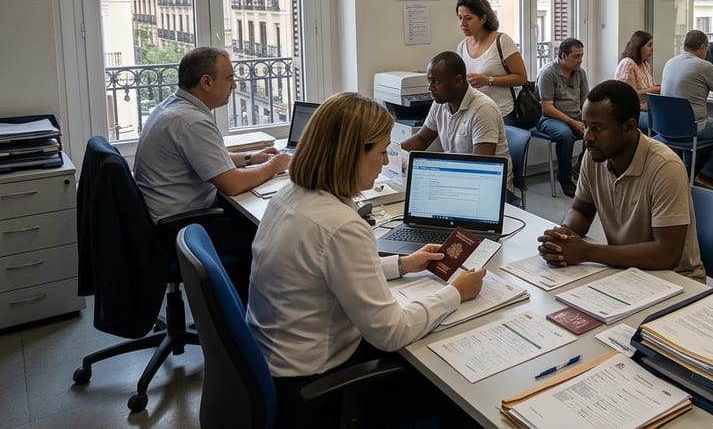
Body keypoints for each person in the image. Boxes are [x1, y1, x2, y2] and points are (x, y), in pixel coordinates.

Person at [246, 92, 485, 428]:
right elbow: (392, 332)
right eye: (382, 151)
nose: (387, 162)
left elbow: (326, 272)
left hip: (276, 369)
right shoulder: (340, 224)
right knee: (454, 396)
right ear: (350, 154)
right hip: (318, 391)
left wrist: (402, 264)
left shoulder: (291, 195)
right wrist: (456, 292)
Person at [134, 47, 290, 297]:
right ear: (206, 82)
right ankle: (245, 318)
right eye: (229, 78)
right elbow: (231, 185)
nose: (235, 85)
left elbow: (205, 158)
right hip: (181, 227)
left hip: (166, 220)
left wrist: (251, 158)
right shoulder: (192, 121)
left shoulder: (174, 107)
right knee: (270, 236)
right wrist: (274, 166)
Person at [536, 80, 704, 281]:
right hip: (625, 271)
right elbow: (581, 209)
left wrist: (587, 252)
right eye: (586, 126)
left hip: (675, 279)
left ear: (629, 127)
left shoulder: (665, 167)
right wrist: (564, 237)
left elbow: (667, 254)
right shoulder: (593, 156)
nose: (587, 137)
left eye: (597, 128)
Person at [400, 51, 512, 193]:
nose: (430, 88)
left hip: (489, 187)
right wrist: (392, 154)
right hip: (458, 179)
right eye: (429, 81)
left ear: (458, 81)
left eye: (436, 82)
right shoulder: (440, 104)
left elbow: (482, 167)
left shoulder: (483, 109)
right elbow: (422, 139)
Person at [660, 30, 713, 191]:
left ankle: (689, 172)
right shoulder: (705, 66)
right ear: (703, 47)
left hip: (665, 127)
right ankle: (705, 174)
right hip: (691, 129)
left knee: (712, 125)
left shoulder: (671, 62)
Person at [455, 0, 528, 125]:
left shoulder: (502, 41)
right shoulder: (461, 47)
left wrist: (488, 80)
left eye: (468, 18)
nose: (462, 24)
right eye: (460, 18)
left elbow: (521, 78)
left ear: (483, 19)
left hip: (502, 114)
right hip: (474, 113)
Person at [535, 38, 589, 197]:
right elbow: (547, 108)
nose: (580, 60)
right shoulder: (548, 73)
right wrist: (573, 123)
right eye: (576, 56)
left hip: (574, 115)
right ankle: (565, 179)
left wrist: (588, 120)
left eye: (581, 56)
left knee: (596, 130)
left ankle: (579, 169)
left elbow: (584, 100)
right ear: (563, 56)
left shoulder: (580, 73)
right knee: (565, 135)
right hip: (549, 118)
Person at [613, 29, 660, 131]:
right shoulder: (627, 63)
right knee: (663, 121)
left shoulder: (645, 64)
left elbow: (647, 88)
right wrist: (653, 90)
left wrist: (656, 88)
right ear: (639, 46)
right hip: (631, 112)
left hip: (646, 109)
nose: (652, 49)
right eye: (649, 45)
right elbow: (626, 95)